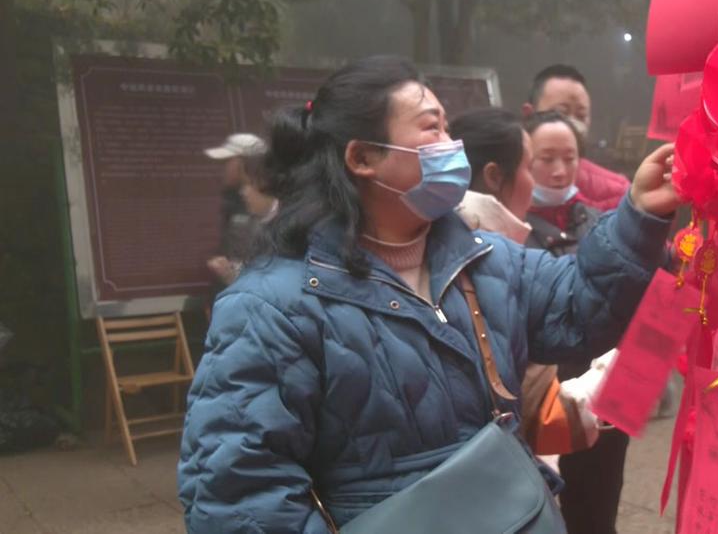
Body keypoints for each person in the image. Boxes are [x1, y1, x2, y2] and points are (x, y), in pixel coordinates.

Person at [177, 55, 684, 533]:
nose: (451, 145)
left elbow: (580, 305)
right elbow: (238, 493)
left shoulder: (487, 261)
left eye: (447, 126)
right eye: (431, 128)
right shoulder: (271, 306)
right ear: (363, 158)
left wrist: (639, 214)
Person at [450, 107, 603, 459]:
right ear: (494, 175)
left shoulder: (443, 244)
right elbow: (538, 414)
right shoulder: (491, 264)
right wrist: (621, 370)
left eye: (570, 157)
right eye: (534, 164)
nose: (556, 172)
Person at [523, 110, 641, 534]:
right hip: (541, 399)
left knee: (598, 507)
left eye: (569, 158)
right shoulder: (509, 228)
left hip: (604, 397)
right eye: (546, 159)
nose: (559, 170)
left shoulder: (601, 224)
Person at [523, 64, 630, 212]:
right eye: (560, 113)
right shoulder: (502, 191)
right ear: (529, 114)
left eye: (581, 115)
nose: (572, 124)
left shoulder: (618, 193)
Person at [203, 134, 275, 285]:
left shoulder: (271, 204)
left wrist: (232, 276)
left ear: (243, 163)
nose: (221, 168)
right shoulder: (232, 200)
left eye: (226, 162)